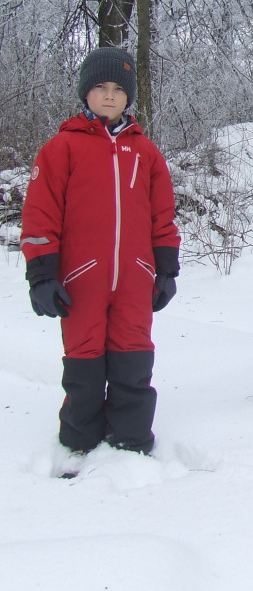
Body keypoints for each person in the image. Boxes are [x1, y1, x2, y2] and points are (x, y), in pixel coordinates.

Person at [21, 46, 181, 458]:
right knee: (84, 360)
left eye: (117, 89)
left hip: (135, 276)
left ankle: (130, 438)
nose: (109, 96)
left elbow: (162, 215)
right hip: (80, 279)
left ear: (128, 97)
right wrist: (42, 274)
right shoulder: (62, 148)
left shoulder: (146, 153)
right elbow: (40, 216)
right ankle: (80, 439)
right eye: (99, 88)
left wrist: (164, 268)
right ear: (85, 94)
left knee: (133, 357)